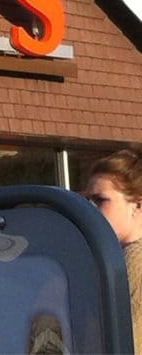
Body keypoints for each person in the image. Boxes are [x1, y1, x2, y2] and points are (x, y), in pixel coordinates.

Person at [83, 145, 142, 354]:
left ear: (136, 205)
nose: (90, 210)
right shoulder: (111, 257)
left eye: (100, 200)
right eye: (86, 201)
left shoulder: (132, 261)